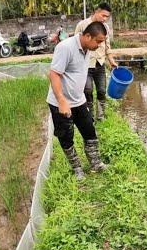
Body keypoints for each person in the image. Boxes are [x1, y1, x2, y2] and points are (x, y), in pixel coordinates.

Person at [47, 21, 109, 180]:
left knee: (90, 131)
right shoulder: (65, 47)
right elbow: (54, 74)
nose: (99, 45)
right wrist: (61, 100)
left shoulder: (87, 48)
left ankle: (96, 163)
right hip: (60, 104)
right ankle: (77, 169)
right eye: (98, 41)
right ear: (88, 36)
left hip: (79, 101)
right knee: (66, 137)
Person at [74, 2, 118, 121]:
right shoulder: (82, 25)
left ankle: (101, 116)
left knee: (102, 90)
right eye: (103, 16)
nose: (105, 19)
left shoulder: (106, 28)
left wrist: (111, 60)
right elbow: (76, 44)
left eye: (107, 17)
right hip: (86, 65)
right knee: (87, 90)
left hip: (100, 63)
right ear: (96, 12)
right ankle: (90, 116)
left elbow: (107, 46)